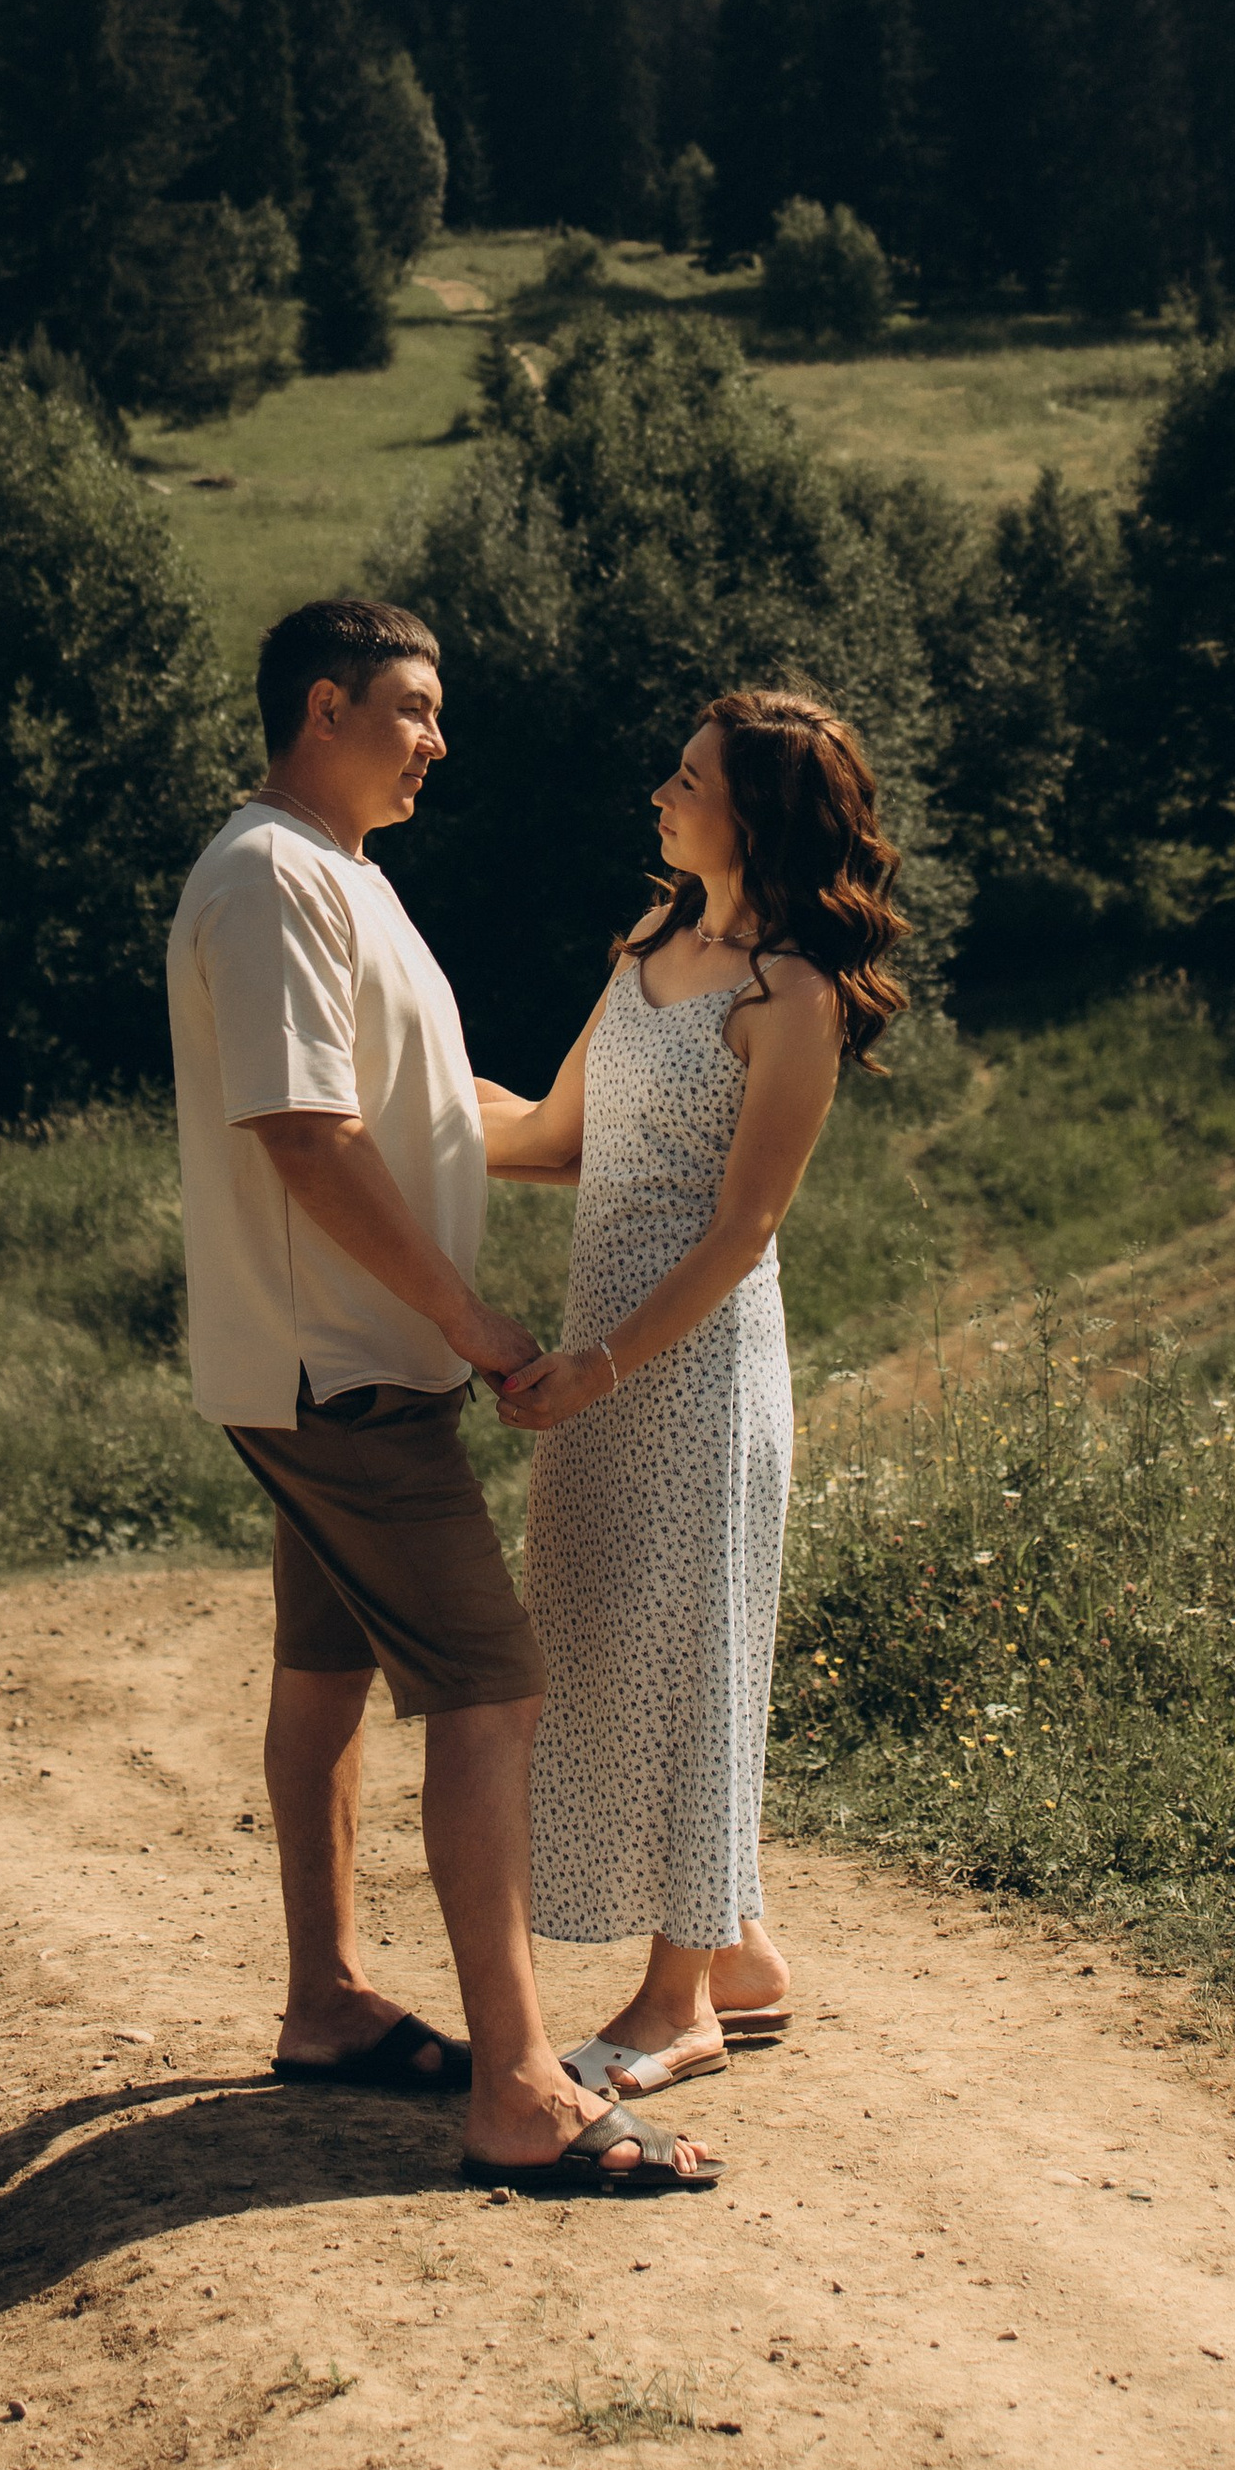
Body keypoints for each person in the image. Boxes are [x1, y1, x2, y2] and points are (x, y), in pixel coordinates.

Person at [166, 594, 719, 2193]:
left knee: (324, 1663)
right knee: (492, 1688)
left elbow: (411, 1106)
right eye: (414, 707)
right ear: (324, 706)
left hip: (342, 1362)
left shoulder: (343, 873)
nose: (438, 738)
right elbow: (305, 1134)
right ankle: (520, 2088)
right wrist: (469, 1317)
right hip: (336, 1369)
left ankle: (328, 1998)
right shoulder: (270, 877)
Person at [478, 687, 906, 2099]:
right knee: (610, 1646)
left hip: (694, 1371)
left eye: (689, 778)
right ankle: (745, 1954)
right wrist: (387, 1113)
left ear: (756, 814)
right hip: (598, 1360)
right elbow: (557, 1136)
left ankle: (679, 2005)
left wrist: (600, 1363)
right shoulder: (652, 941)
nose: (661, 794)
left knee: (689, 1662)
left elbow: (743, 1229)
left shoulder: (795, 995)